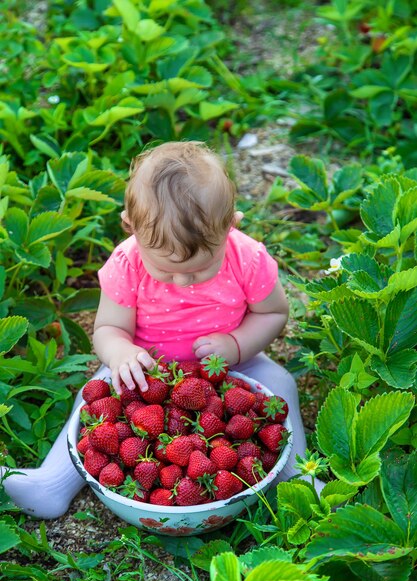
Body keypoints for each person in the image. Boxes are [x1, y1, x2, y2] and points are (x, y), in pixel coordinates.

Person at [1, 141, 323, 518]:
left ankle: (297, 479)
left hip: (235, 367)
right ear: (131, 227)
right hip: (148, 371)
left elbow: (273, 313)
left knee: (281, 382)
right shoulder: (127, 264)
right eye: (167, 269)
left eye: (201, 269)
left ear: (230, 225)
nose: (183, 279)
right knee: (96, 395)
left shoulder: (248, 258)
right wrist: (120, 353)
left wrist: (237, 345)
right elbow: (108, 327)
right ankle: (52, 484)